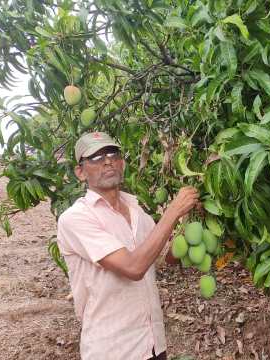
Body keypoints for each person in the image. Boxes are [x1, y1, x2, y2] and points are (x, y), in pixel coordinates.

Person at [56, 131, 199, 359]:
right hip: (114, 349)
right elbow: (134, 268)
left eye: (113, 153)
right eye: (95, 157)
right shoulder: (76, 219)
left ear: (122, 163)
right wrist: (173, 211)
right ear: (80, 172)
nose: (107, 161)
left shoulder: (137, 211)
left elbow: (164, 258)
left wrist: (197, 229)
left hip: (153, 345)